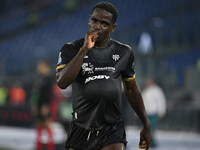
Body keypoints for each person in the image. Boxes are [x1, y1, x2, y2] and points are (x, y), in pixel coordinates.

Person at [56, 2, 151, 150]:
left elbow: (131, 89)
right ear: (89, 20)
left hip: (112, 130)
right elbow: (62, 82)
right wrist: (84, 50)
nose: (97, 26)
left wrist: (146, 124)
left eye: (104, 23)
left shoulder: (124, 52)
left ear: (113, 28)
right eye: (94, 20)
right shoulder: (71, 49)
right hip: (81, 128)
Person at [31, 60, 55, 150]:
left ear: (45, 66)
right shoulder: (40, 78)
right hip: (39, 103)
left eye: (40, 66)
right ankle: (39, 146)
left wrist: (46, 105)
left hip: (45, 104)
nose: (39, 68)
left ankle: (50, 146)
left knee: (47, 123)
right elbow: (37, 92)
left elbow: (49, 93)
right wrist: (35, 104)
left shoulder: (49, 78)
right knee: (39, 123)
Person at [142, 77, 167, 147]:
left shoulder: (157, 90)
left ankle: (151, 141)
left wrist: (162, 110)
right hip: (146, 112)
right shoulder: (145, 90)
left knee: (151, 128)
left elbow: (161, 101)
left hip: (153, 112)